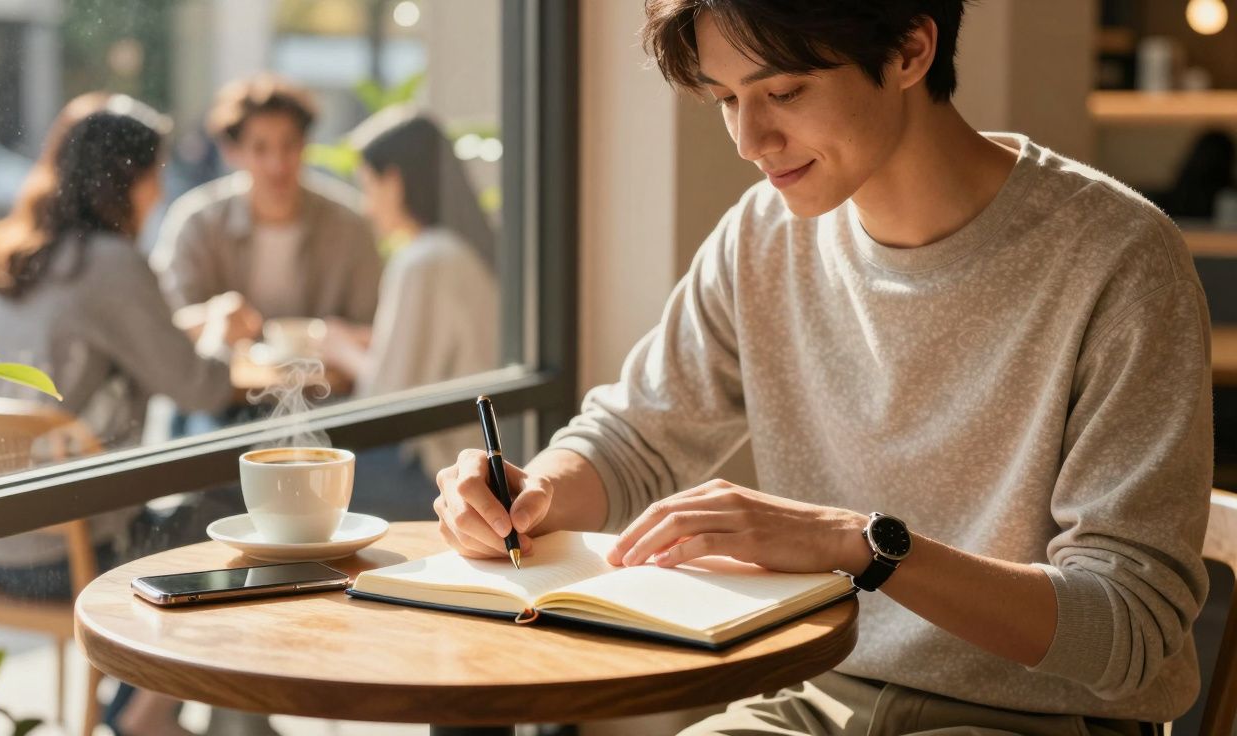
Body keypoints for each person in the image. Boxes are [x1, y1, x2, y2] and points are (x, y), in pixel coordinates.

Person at [432, 2, 1212, 734]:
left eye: (784, 90)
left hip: (1036, 720)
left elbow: (1128, 629)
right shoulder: (763, 236)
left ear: (911, 48)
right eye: (728, 99)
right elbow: (638, 435)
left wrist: (864, 546)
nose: (748, 139)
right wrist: (536, 492)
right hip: (812, 701)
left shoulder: (1118, 259)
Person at [0, 94, 233, 736]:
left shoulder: (19, 253)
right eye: (155, 174)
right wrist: (222, 332)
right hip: (75, 555)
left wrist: (181, 330)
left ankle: (163, 712)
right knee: (235, 517)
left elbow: (97, 347)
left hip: (0, 548)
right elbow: (199, 388)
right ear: (131, 180)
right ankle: (143, 713)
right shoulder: (109, 262)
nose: (160, 190)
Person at [321, 108, 499, 520]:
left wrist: (339, 347)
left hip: (436, 475)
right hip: (479, 464)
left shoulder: (424, 259)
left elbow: (382, 403)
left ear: (395, 181)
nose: (366, 208)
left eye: (368, 187)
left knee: (277, 476)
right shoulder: (463, 248)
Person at [150, 73, 383, 355]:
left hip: (331, 393)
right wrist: (215, 319)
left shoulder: (350, 226)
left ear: (306, 145)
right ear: (231, 152)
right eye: (260, 149)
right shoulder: (198, 223)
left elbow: (377, 330)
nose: (277, 165)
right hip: (221, 391)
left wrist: (333, 339)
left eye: (289, 145)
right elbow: (166, 324)